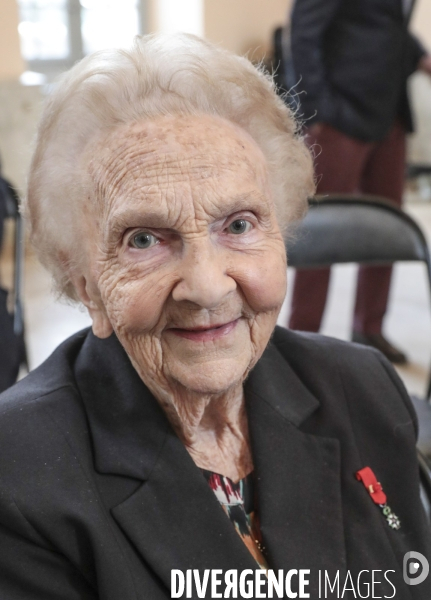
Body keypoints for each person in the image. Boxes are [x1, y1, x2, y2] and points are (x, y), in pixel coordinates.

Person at [0, 34, 429, 599]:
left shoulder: (362, 386)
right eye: (144, 238)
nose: (205, 286)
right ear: (85, 284)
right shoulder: (18, 472)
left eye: (239, 225)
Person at [287, 0, 431, 363]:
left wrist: (420, 56)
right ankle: (301, 340)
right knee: (319, 230)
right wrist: (317, 108)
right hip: (340, 116)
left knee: (388, 229)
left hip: (391, 114)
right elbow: (304, 31)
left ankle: (369, 328)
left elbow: (383, 26)